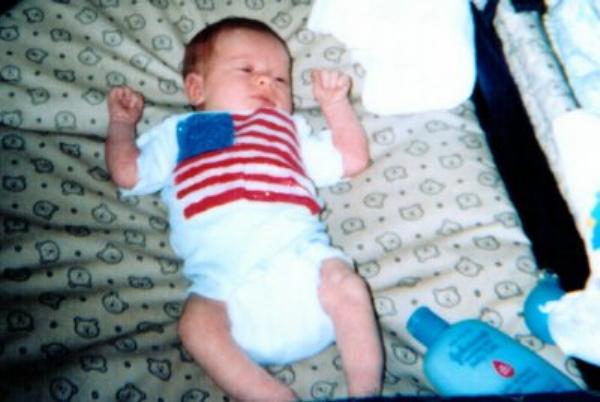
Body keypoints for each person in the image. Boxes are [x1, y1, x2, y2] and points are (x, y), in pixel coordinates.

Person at [105, 17, 383, 401]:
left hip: (302, 263)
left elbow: (351, 159)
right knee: (195, 324)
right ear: (197, 88)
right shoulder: (185, 130)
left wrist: (335, 106)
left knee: (348, 286)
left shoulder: (287, 129)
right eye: (247, 71)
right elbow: (128, 173)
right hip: (225, 285)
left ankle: (366, 391)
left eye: (280, 79)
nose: (267, 82)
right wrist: (122, 125)